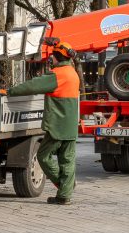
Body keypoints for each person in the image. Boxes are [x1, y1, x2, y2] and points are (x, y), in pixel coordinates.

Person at [5, 40, 80, 204]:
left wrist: (10, 91)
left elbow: (33, 85)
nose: (50, 59)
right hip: (70, 126)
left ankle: (63, 185)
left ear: (58, 57)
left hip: (57, 126)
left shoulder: (58, 75)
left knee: (43, 155)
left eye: (52, 56)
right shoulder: (72, 73)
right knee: (67, 160)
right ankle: (64, 195)